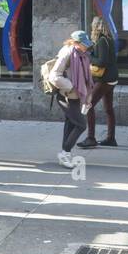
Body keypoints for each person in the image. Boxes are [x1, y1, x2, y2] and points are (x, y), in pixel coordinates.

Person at [44, 30, 95, 168]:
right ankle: (65, 153)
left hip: (75, 95)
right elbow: (54, 76)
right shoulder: (67, 53)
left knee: (71, 123)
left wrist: (85, 94)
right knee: (81, 125)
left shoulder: (82, 54)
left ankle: (65, 153)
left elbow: (85, 76)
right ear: (75, 43)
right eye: (84, 44)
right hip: (66, 95)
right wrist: (71, 87)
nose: (87, 47)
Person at [78, 15, 119, 149]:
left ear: (96, 27)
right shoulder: (109, 39)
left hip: (104, 79)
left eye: (92, 25)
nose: (91, 28)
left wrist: (89, 57)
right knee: (108, 109)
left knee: (88, 105)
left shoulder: (101, 41)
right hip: (111, 78)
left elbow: (102, 61)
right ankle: (111, 138)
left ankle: (91, 138)